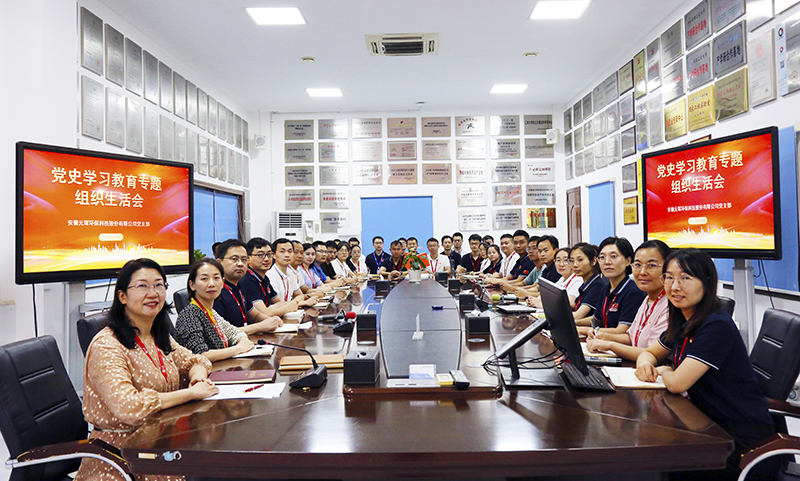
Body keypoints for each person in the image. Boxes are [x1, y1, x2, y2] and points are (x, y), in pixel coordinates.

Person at [635, 249, 777, 480]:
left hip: (736, 439)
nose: (675, 286)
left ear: (707, 282)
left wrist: (666, 370)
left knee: (651, 461)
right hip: (703, 423)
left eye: (685, 278)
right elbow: (649, 353)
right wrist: (645, 364)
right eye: (669, 277)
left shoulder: (716, 325)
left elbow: (677, 383)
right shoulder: (683, 318)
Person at [76, 258, 218, 481]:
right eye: (142, 286)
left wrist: (198, 379)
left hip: (161, 441)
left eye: (159, 285)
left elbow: (196, 361)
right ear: (122, 296)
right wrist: (191, 393)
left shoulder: (156, 336)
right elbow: (129, 407)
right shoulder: (107, 346)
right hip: (121, 456)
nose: (153, 293)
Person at [586, 240, 671, 361]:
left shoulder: (670, 305)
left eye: (651, 265)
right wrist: (603, 336)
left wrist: (610, 345)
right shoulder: (647, 299)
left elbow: (652, 353)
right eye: (638, 265)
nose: (642, 272)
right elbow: (631, 337)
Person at [175, 258, 254, 361]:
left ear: (223, 282)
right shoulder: (189, 315)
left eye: (216, 278)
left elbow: (235, 333)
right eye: (204, 279)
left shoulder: (210, 312)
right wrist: (238, 349)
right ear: (192, 285)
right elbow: (200, 355)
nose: (211, 284)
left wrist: (243, 341)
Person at [214, 239, 285, 334]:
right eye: (234, 259)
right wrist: (259, 327)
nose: (240, 264)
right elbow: (220, 333)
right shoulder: (215, 291)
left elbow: (255, 315)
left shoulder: (239, 287)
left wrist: (271, 320)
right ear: (219, 262)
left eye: (244, 259)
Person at [579, 237, 646, 337]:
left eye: (613, 256)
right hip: (602, 342)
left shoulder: (634, 292)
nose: (607, 262)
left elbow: (622, 331)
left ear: (628, 261)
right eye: (602, 257)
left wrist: (581, 330)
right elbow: (596, 320)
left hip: (619, 344)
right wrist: (572, 323)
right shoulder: (606, 289)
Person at [240, 237, 298, 318]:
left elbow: (280, 302)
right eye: (260, 255)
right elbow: (264, 313)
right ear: (248, 258)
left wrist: (271, 309)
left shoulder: (264, 278)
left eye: (269, 254)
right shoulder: (247, 280)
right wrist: (288, 308)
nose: (266, 259)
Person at [267, 238, 319, 307]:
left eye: (290, 251)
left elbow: (300, 295)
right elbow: (279, 303)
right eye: (282, 251)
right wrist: (302, 303)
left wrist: (294, 302)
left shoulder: (290, 272)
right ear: (273, 255)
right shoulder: (270, 275)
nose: (287, 255)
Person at [570, 243, 606, 322]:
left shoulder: (598, 285)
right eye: (572, 261)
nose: (575, 265)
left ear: (593, 261)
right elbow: (574, 305)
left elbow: (578, 316)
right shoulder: (586, 284)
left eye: (580, 260)